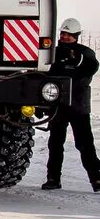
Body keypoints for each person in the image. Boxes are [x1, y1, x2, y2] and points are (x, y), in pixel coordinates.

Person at [42, 18, 100, 191]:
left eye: (69, 35)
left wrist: (76, 59)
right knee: (55, 143)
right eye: (63, 34)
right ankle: (53, 179)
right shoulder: (53, 52)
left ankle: (97, 179)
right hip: (58, 106)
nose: (65, 37)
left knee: (84, 143)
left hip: (78, 107)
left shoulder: (86, 54)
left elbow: (92, 66)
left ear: (77, 36)